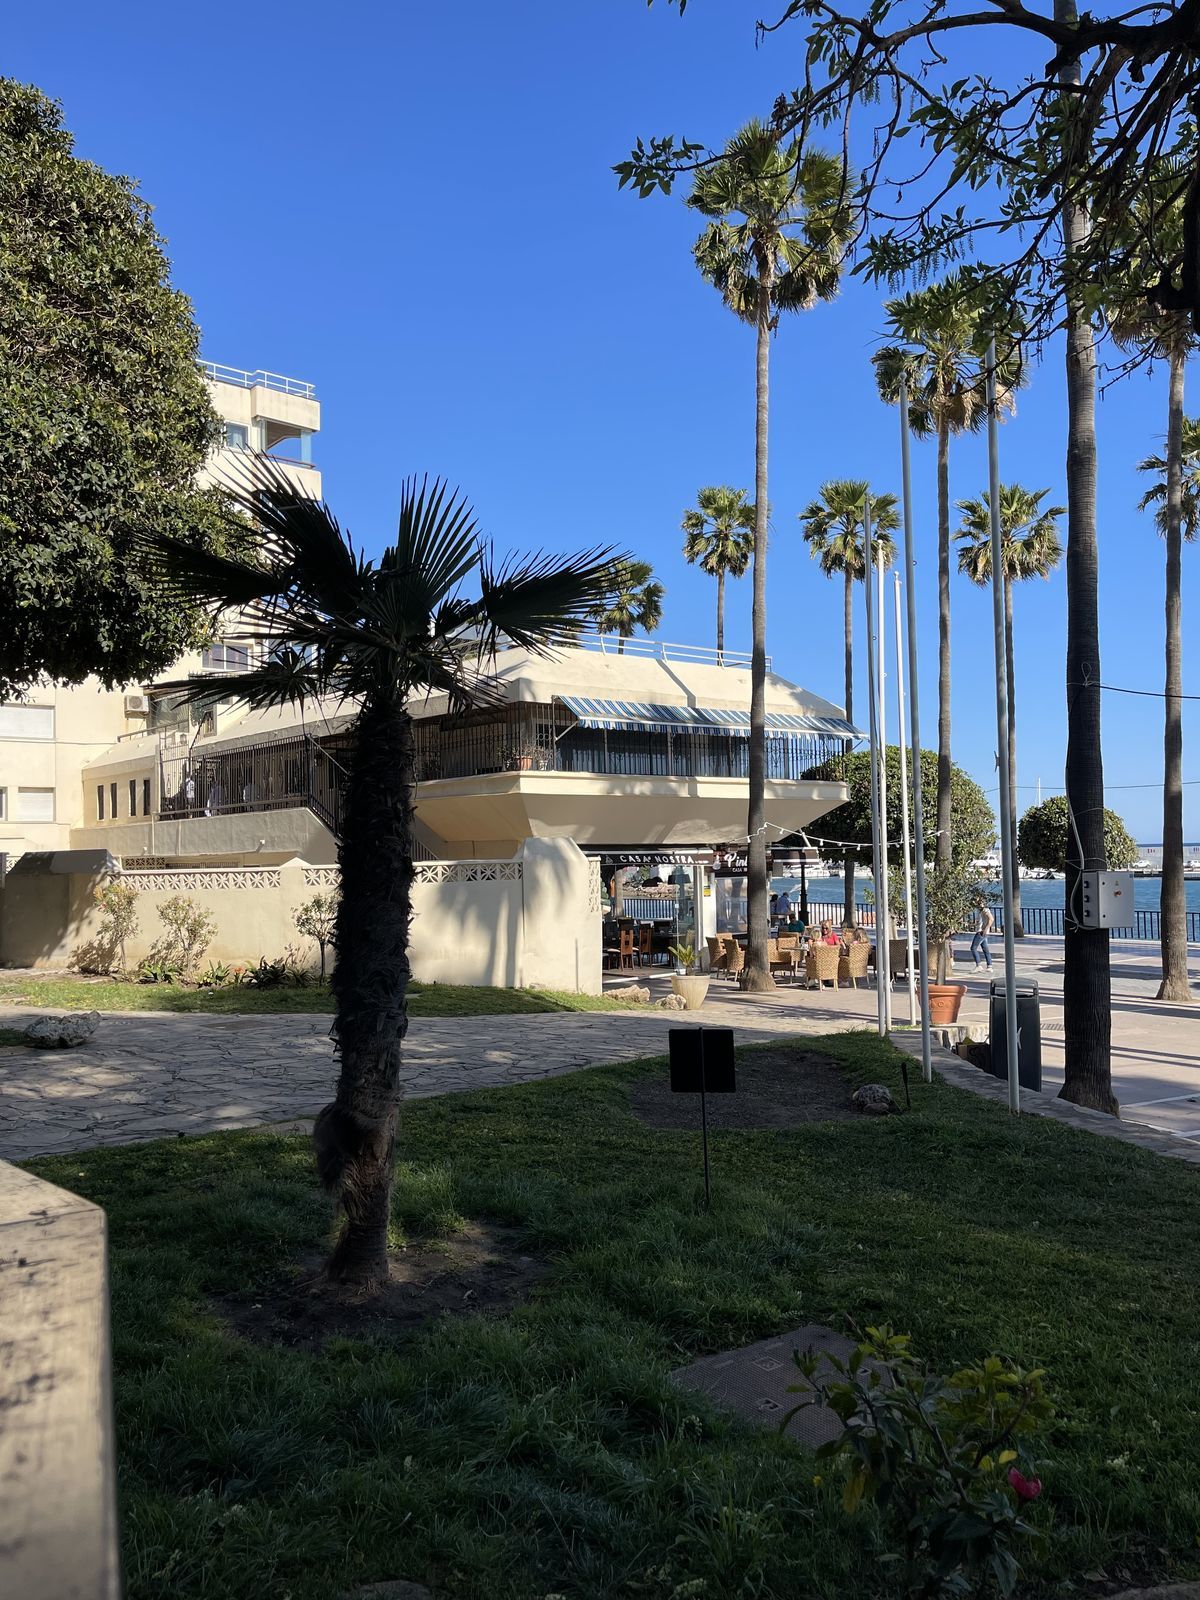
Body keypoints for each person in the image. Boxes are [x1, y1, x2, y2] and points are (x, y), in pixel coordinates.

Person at [971, 897, 995, 970]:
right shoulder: (979, 910)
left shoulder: (985, 910)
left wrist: (986, 929)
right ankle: (989, 966)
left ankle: (978, 965)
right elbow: (979, 922)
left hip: (981, 932)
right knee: (985, 949)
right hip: (982, 931)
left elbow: (991, 919)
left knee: (973, 948)